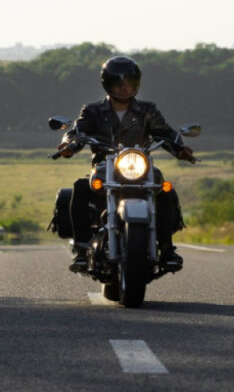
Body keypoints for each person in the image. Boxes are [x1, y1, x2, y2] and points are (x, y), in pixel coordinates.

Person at [58, 55, 194, 271]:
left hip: (141, 168)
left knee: (165, 190)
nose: (124, 89)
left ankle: (167, 249)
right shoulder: (93, 111)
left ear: (137, 84)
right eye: (118, 84)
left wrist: (180, 149)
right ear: (108, 85)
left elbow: (164, 132)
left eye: (129, 84)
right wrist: (69, 145)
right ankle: (82, 250)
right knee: (80, 187)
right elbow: (78, 131)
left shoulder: (147, 110)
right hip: (105, 167)